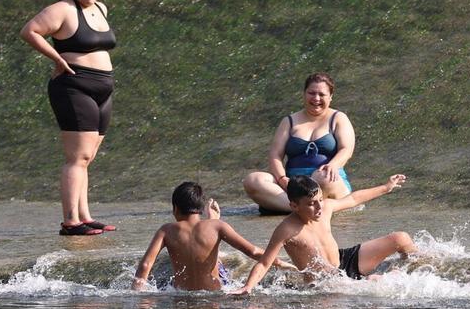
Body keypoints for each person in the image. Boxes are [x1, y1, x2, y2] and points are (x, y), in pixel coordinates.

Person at [20, 0, 117, 236]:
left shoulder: (101, 8)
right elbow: (29, 31)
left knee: (88, 157)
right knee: (77, 157)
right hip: (74, 86)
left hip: (103, 88)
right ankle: (70, 221)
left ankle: (85, 216)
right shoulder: (62, 9)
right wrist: (57, 58)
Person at [233, 174, 417, 295]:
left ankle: (422, 265)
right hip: (325, 283)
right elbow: (265, 262)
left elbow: (353, 198)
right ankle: (385, 277)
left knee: (401, 238)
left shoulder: (325, 208)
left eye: (320, 200)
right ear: (294, 206)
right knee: (374, 283)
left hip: (345, 260)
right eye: (312, 203)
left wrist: (386, 187)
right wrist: (248, 286)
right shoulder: (286, 229)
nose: (320, 207)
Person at [132, 182, 295, 291]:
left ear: (175, 208)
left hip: (180, 293)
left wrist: (138, 295)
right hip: (215, 292)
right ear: (201, 208)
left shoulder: (166, 230)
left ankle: (212, 222)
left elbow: (146, 265)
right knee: (214, 254)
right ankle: (212, 219)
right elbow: (252, 251)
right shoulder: (219, 226)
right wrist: (279, 262)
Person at [243, 72, 355, 214]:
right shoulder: (289, 121)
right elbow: (275, 155)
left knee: (321, 177)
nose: (316, 98)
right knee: (253, 180)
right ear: (304, 94)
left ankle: (300, 207)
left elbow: (347, 149)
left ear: (331, 97)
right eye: (311, 93)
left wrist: (332, 165)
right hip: (294, 185)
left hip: (328, 182)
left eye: (322, 94)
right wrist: (283, 179)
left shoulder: (338, 118)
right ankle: (300, 207)